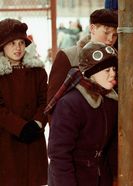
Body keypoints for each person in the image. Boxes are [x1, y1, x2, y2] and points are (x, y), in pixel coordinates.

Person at [48, 42, 118, 186]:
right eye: (107, 70)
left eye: (114, 69)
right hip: (74, 178)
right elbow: (59, 154)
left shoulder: (111, 101)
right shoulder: (70, 104)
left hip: (101, 177)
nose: (113, 74)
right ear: (92, 72)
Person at [0, 18, 48, 186]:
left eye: (21, 42)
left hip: (34, 139)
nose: (18, 48)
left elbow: (46, 100)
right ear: (2, 46)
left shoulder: (38, 71)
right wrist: (20, 127)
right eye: (12, 43)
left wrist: (37, 123)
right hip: (7, 141)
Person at [47, 8, 118, 105]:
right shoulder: (68, 57)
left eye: (115, 35)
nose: (110, 39)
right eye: (106, 33)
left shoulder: (117, 60)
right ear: (92, 28)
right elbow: (53, 101)